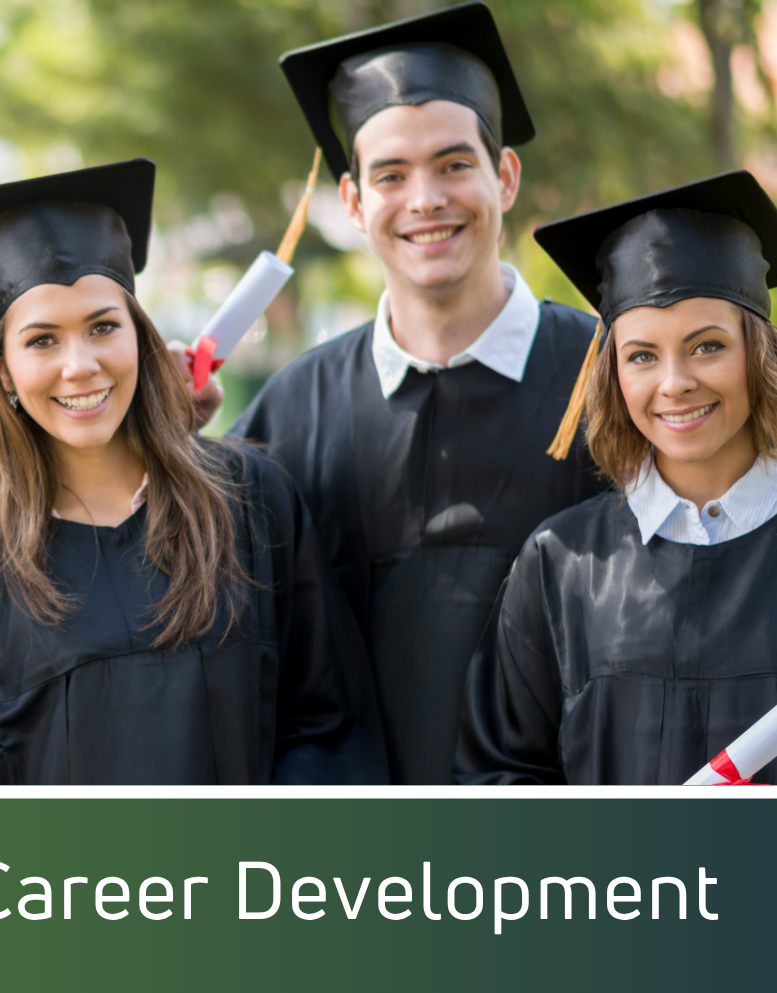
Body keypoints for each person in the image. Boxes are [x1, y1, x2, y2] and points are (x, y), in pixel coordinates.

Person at [0, 159, 376, 784]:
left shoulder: (250, 503)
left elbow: (326, 728)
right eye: (42, 340)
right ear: (3, 373)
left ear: (140, 336)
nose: (79, 366)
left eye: (103, 326)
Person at [459, 170, 777, 784]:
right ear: (613, 375)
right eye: (642, 355)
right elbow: (498, 791)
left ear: (759, 353)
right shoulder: (561, 568)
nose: (675, 383)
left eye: (707, 346)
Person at [230, 2, 605, 784]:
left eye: (454, 164)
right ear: (355, 203)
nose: (426, 199)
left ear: (504, 176)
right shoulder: (292, 412)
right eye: (391, 175)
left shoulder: (608, 379)